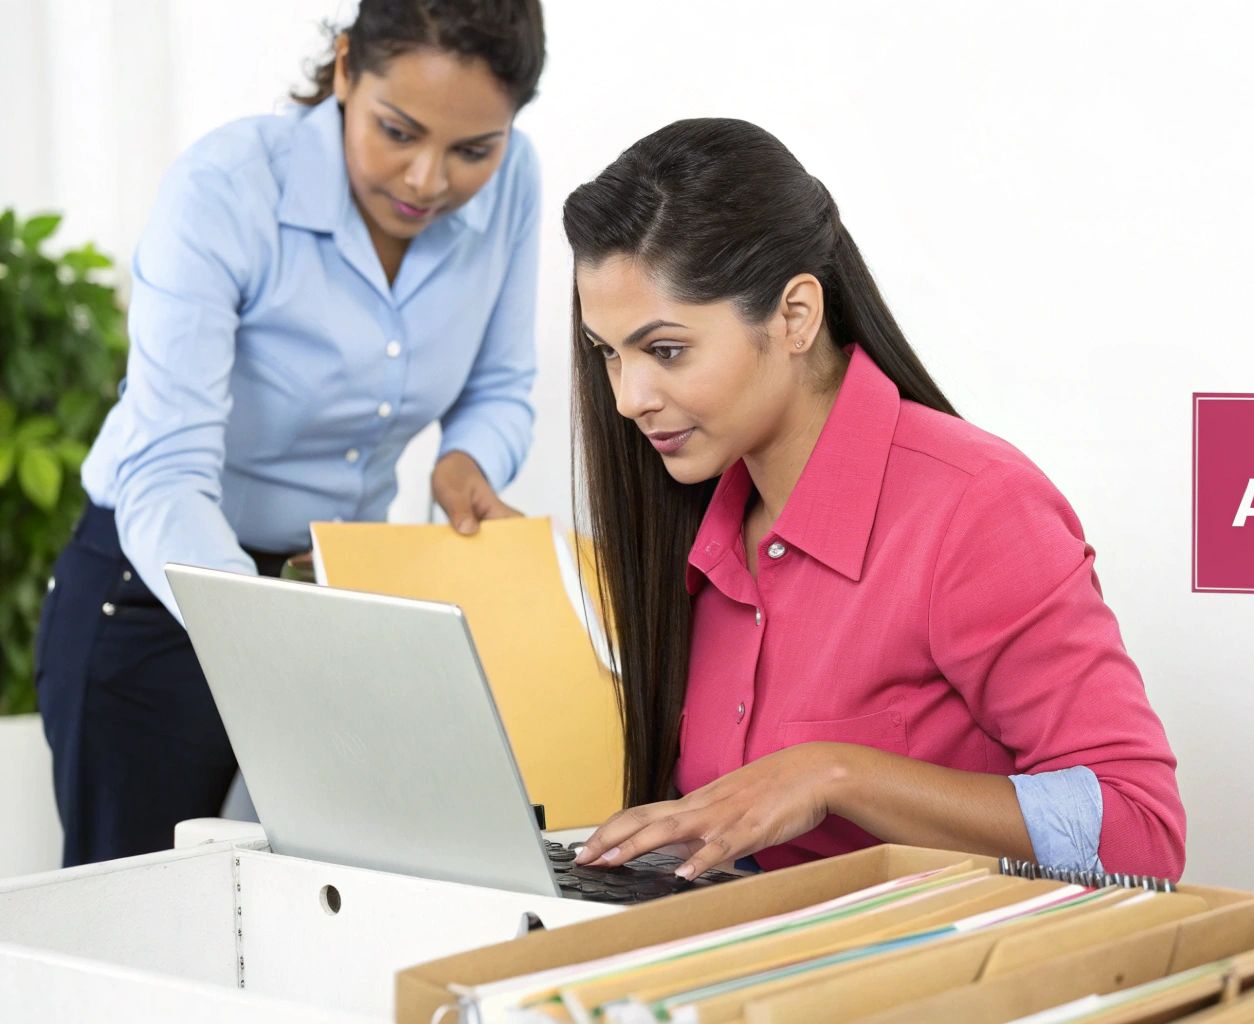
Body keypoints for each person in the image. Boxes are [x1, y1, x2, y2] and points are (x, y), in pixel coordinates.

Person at [564, 119, 1187, 882]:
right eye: (609, 354)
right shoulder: (698, 524)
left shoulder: (977, 510)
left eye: (665, 351)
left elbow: (1140, 832)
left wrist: (835, 776)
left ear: (794, 316)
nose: (629, 399)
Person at [33, 0, 547, 867]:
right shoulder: (227, 189)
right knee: (145, 920)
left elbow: (500, 385)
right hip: (157, 590)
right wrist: (265, 638)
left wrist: (467, 461)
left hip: (331, 591)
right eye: (397, 131)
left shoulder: (516, 183)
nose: (428, 180)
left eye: (472, 151)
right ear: (345, 68)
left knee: (341, 901)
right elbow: (164, 470)